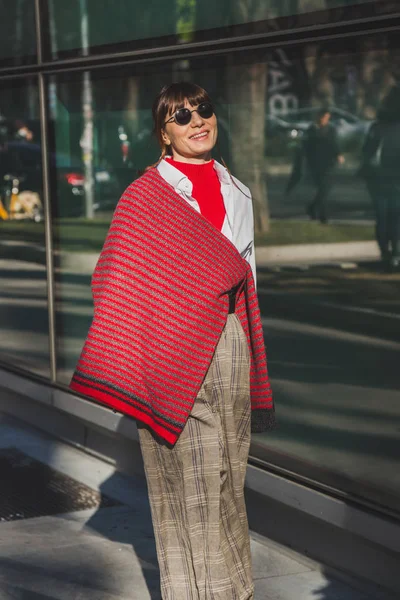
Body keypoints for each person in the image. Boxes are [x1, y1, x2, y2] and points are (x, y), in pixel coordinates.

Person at [70, 81, 275, 599]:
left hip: (231, 340)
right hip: (174, 351)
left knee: (229, 474)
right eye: (180, 116)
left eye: (203, 109)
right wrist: (159, 329)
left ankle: (233, 589)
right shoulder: (146, 195)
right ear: (164, 133)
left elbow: (246, 276)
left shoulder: (239, 191)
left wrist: (251, 353)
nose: (197, 121)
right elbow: (113, 277)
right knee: (189, 483)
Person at [359, 87, 400, 269]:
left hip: (377, 179)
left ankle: (386, 252)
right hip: (393, 180)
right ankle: (395, 253)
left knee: (383, 217)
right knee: (394, 217)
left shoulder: (376, 128)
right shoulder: (396, 128)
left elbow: (366, 153)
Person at [287, 108, 344, 224]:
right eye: (324, 117)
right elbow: (306, 147)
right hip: (315, 163)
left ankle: (314, 209)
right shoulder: (311, 130)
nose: (325, 120)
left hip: (328, 163)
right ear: (318, 117)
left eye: (327, 118)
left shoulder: (331, 130)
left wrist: (338, 154)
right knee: (322, 189)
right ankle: (320, 214)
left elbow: (334, 143)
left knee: (325, 189)